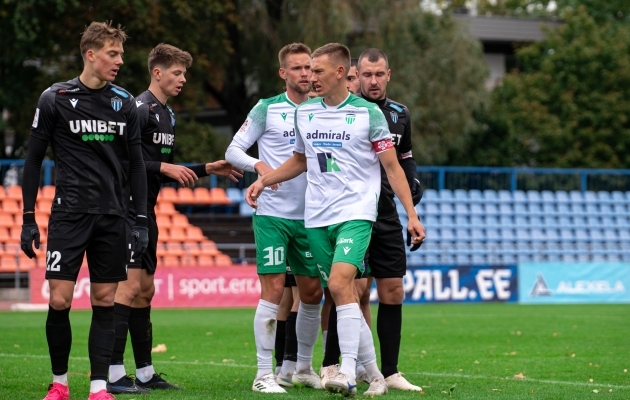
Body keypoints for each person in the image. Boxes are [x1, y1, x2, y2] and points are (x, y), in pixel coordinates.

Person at [246, 42, 425, 398]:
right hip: (316, 217)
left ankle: (344, 370)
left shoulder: (368, 115)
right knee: (341, 292)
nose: (310, 77)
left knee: (343, 284)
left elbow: (393, 166)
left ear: (340, 73)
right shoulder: (305, 113)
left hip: (356, 213)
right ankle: (374, 373)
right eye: (308, 70)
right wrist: (265, 179)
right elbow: (301, 159)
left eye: (317, 71)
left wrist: (412, 215)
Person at [21, 21, 149, 400]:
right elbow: (31, 161)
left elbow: (137, 165)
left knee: (105, 300)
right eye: (113, 54)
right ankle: (59, 383)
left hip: (113, 216)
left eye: (121, 54)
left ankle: (97, 387)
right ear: (90, 54)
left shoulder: (124, 102)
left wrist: (139, 219)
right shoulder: (55, 97)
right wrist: (28, 218)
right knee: (59, 299)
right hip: (69, 215)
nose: (119, 61)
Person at [106, 43, 242, 394]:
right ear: (157, 72)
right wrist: (164, 166)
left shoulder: (168, 115)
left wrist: (205, 169)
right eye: (177, 73)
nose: (182, 79)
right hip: (125, 208)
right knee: (130, 287)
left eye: (184, 73)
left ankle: (146, 373)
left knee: (146, 291)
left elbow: (160, 170)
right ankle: (114, 372)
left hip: (146, 209)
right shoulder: (137, 109)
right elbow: (120, 164)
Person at [225, 43, 322, 394]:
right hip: (273, 215)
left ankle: (303, 368)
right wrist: (259, 166)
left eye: (309, 68)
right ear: (283, 73)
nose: (305, 74)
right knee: (274, 290)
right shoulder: (267, 108)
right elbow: (232, 150)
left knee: (312, 293)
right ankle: (264, 374)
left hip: (312, 215)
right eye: (297, 68)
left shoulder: (322, 110)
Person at [357, 47, 424, 391]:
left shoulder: (400, 114)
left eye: (378, 74)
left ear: (388, 74)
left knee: (393, 290)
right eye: (366, 74)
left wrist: (411, 184)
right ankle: (350, 367)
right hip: (352, 214)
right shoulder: (347, 112)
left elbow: (406, 156)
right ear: (355, 74)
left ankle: (391, 371)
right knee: (353, 291)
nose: (373, 81)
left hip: (386, 214)